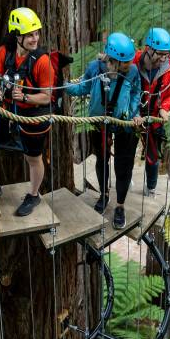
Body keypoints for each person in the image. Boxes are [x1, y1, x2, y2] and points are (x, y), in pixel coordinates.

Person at [0, 7, 56, 216]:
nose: (35, 39)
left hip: (33, 116)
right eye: (30, 35)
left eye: (37, 33)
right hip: (7, 111)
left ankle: (34, 195)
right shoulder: (4, 52)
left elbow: (47, 96)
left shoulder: (43, 61)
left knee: (33, 159)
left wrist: (25, 97)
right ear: (17, 36)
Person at [66, 32, 141, 229]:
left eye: (128, 62)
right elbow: (83, 88)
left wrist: (134, 113)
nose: (128, 65)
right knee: (102, 159)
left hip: (124, 124)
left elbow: (136, 93)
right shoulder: (95, 68)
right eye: (124, 62)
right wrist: (61, 87)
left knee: (123, 166)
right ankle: (104, 195)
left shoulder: (132, 72)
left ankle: (120, 206)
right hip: (99, 122)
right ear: (112, 60)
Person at [132, 28, 170, 196]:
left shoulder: (169, 68)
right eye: (160, 54)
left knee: (152, 156)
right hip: (132, 113)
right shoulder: (133, 61)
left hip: (154, 116)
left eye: (166, 54)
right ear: (148, 49)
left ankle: (151, 187)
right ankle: (125, 180)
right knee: (127, 150)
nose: (163, 58)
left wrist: (165, 109)